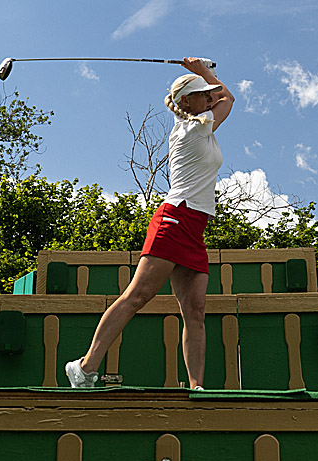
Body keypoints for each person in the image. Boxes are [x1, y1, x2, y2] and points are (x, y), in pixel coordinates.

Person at [65, 57, 234, 390]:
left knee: (195, 310)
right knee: (138, 296)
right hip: (175, 219)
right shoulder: (191, 130)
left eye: (207, 95)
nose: (209, 98)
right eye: (203, 95)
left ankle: (196, 385)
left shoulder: (202, 126)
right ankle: (83, 367)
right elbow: (228, 99)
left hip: (194, 226)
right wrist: (202, 69)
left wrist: (204, 77)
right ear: (188, 101)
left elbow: (221, 98)